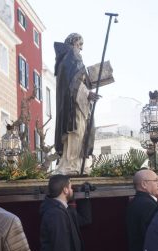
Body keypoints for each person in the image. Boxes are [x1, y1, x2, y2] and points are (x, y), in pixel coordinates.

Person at [53, 33, 99, 175]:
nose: (81, 49)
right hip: (74, 106)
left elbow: (77, 81)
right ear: (72, 43)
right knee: (76, 133)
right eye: (79, 45)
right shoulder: (71, 58)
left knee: (81, 132)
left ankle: (78, 163)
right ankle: (71, 164)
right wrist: (87, 93)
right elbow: (72, 83)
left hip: (79, 105)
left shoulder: (69, 59)